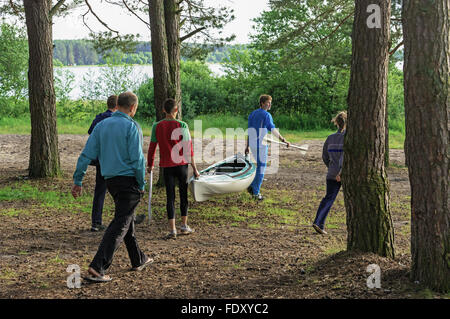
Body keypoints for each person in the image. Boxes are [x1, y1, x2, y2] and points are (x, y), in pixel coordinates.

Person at [71, 91, 152, 282]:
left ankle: (138, 259)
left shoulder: (101, 125)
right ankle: (98, 267)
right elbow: (137, 159)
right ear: (132, 108)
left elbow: (86, 155)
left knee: (125, 219)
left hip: (111, 182)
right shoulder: (132, 126)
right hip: (128, 181)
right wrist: (141, 183)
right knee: (121, 222)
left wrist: (78, 180)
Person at [147, 98, 200, 240]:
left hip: (166, 166)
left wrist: (150, 164)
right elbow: (189, 150)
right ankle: (184, 225)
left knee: (170, 197)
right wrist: (195, 168)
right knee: (183, 195)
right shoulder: (182, 125)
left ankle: (172, 229)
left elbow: (152, 148)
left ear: (164, 110)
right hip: (182, 165)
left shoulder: (156, 126)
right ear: (176, 110)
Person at [245, 94, 290, 200]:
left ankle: (253, 187)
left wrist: (247, 146)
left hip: (252, 144)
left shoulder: (252, 114)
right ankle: (255, 192)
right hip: (260, 145)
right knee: (262, 167)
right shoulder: (266, 115)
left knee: (260, 167)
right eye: (268, 102)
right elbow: (273, 129)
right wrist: (283, 140)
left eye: (270, 102)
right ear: (262, 103)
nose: (270, 105)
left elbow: (249, 130)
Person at [312, 111, 347, 235]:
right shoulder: (347, 137)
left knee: (328, 198)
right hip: (344, 174)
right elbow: (345, 155)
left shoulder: (330, 138)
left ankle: (318, 221)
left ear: (336, 123)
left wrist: (331, 167)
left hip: (331, 173)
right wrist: (341, 171)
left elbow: (325, 156)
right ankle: (319, 223)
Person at [87, 95, 118, 232]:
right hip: (113, 159)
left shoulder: (99, 117)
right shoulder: (116, 120)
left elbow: (90, 132)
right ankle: (127, 218)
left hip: (100, 159)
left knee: (100, 190)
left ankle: (96, 221)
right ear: (117, 106)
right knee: (120, 189)